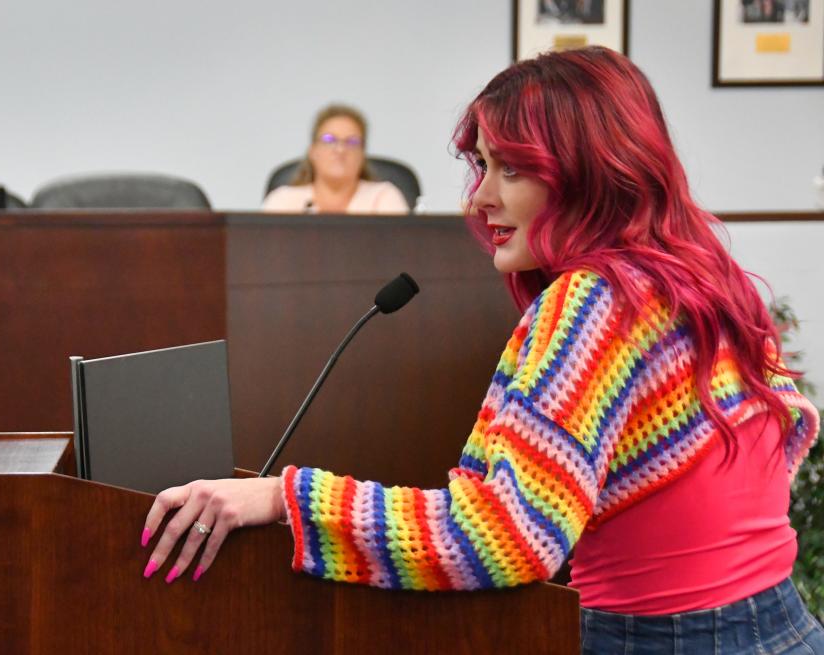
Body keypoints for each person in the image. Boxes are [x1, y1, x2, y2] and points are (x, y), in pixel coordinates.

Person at [141, 47, 823, 653]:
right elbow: (780, 443)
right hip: (783, 623)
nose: (481, 198)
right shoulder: (706, 277)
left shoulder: (594, 300)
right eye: (481, 166)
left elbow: (497, 538)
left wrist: (280, 497)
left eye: (512, 171)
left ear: (589, 171)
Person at [262, 104, 410, 214]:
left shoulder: (383, 197)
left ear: (362, 154)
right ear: (312, 151)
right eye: (329, 139)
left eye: (352, 142)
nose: (340, 149)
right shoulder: (283, 201)